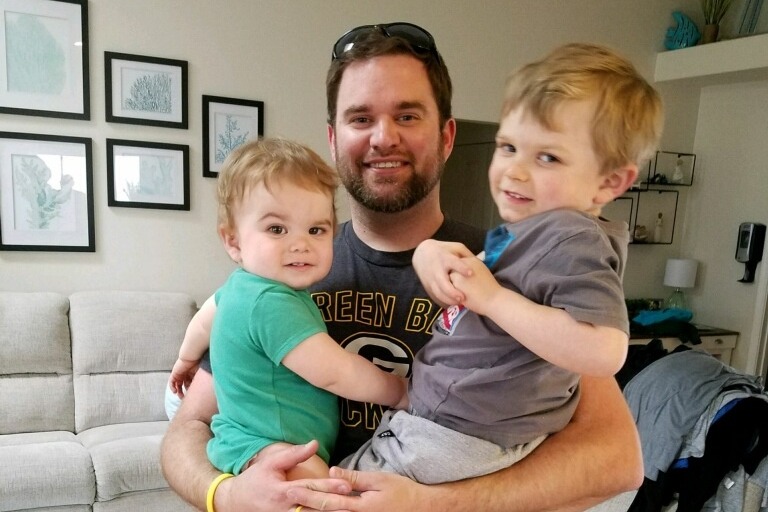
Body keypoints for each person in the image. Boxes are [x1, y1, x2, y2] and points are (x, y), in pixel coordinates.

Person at [161, 22, 644, 512]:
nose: (383, 137)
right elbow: (190, 427)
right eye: (360, 118)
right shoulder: (281, 270)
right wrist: (226, 494)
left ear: (447, 136)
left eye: (407, 116)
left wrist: (435, 504)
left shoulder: (510, 265)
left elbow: (616, 459)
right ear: (334, 139)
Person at [342, 42, 663, 484]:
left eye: (548, 157)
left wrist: (492, 299)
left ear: (610, 182)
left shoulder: (573, 236)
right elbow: (481, 292)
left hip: (456, 435)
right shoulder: (530, 235)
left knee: (337, 493)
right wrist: (430, 254)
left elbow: (605, 351)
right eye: (508, 147)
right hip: (435, 420)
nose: (515, 171)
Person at [168, 137, 407, 479]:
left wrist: (185, 359)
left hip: (246, 440)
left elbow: (202, 322)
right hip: (272, 447)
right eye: (277, 229)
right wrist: (399, 391)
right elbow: (336, 372)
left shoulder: (238, 288)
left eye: (316, 229)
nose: (300, 244)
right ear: (233, 241)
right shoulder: (271, 303)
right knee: (314, 487)